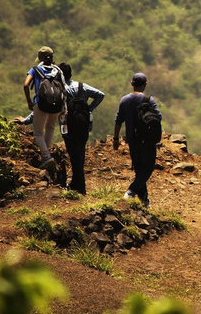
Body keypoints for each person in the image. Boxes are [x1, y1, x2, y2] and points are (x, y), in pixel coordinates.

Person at [113, 72, 161, 206]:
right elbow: (158, 116)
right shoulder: (148, 100)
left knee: (139, 168)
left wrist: (116, 138)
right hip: (147, 140)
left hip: (132, 140)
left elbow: (118, 121)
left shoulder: (124, 100)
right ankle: (131, 191)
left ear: (132, 84)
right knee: (148, 168)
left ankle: (144, 200)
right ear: (145, 85)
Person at [58, 62, 104, 195]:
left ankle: (80, 188)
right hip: (83, 125)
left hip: (68, 126)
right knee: (80, 154)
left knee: (74, 156)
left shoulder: (60, 89)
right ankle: (76, 184)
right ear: (71, 74)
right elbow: (100, 94)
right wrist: (89, 109)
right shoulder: (81, 86)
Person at [23, 46, 65, 169]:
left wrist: (29, 101)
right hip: (56, 105)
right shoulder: (57, 71)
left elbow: (26, 85)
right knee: (50, 127)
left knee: (38, 132)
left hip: (40, 104)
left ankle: (46, 157)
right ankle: (46, 155)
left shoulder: (35, 70)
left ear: (40, 58)